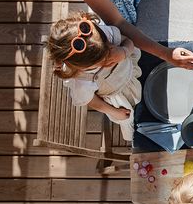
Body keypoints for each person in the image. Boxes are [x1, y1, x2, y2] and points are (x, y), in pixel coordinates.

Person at [45, 12, 143, 142]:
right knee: (129, 117)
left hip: (129, 71)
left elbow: (127, 41)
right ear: (81, 67)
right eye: (103, 60)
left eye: (109, 47)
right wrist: (114, 112)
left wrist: (124, 51)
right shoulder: (82, 79)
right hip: (118, 93)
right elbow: (92, 101)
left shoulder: (100, 36)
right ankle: (134, 138)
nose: (109, 56)